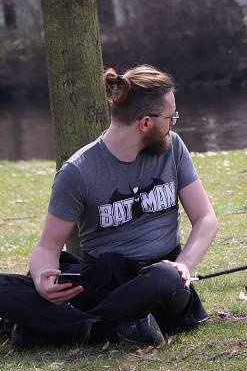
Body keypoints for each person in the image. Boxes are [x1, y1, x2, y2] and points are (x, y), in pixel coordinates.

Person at [0, 64, 218, 348]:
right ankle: (108, 329)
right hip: (101, 282)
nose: (173, 123)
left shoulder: (173, 148)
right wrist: (43, 279)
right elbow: (47, 248)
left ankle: (55, 327)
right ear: (145, 123)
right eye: (170, 117)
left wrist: (184, 264)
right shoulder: (77, 172)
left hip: (159, 284)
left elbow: (206, 219)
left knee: (166, 277)